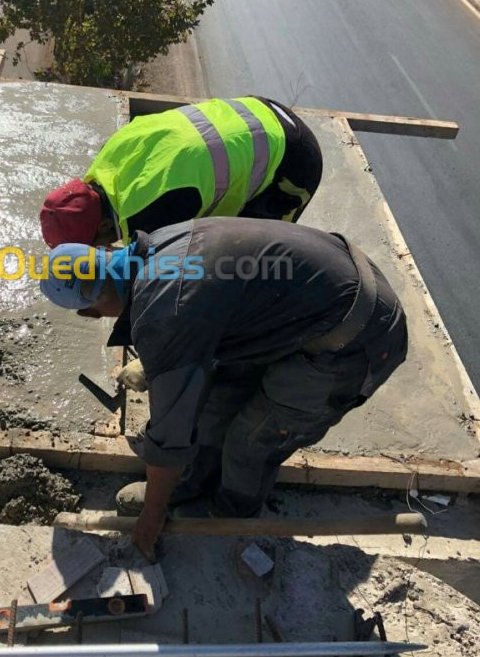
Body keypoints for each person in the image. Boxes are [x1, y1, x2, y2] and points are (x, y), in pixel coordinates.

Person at [39, 218, 408, 561]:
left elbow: (170, 434)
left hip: (358, 334)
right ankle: (193, 482)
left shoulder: (163, 312)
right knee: (217, 397)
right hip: (324, 296)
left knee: (251, 439)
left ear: (89, 312)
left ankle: (230, 516)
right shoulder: (158, 246)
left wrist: (148, 525)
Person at [40, 96, 323, 249]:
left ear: (102, 227)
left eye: (95, 246)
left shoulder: (147, 218)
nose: (100, 250)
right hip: (258, 109)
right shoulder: (107, 160)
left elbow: (178, 277)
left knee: (253, 255)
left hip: (292, 159)